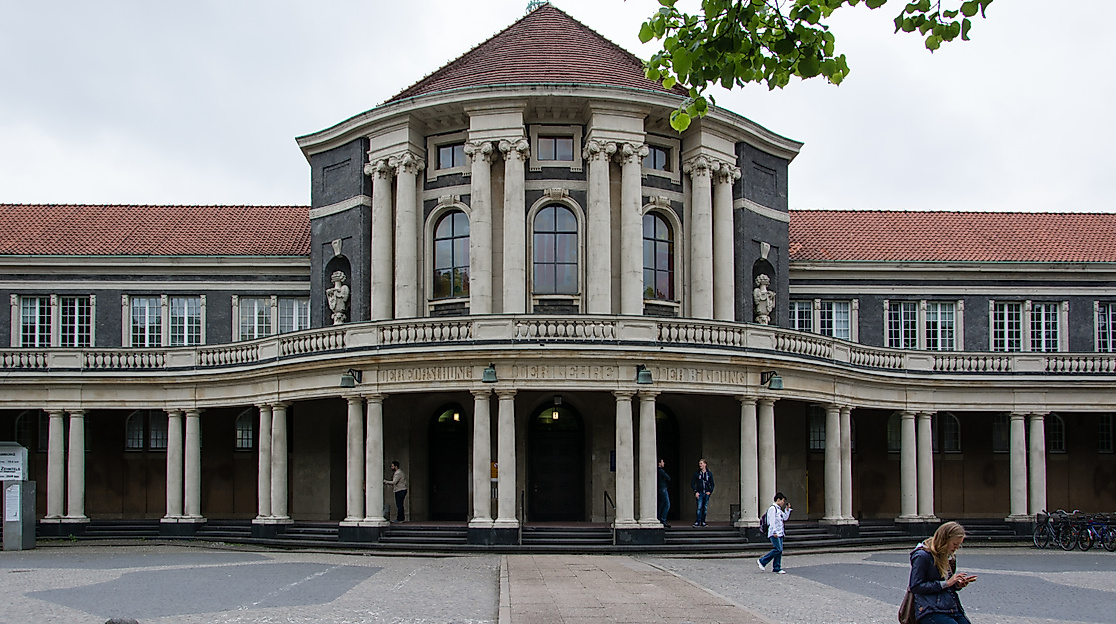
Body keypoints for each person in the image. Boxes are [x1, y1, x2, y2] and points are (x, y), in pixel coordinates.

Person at [908, 521, 976, 624]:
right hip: (930, 609)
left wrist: (957, 584)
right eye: (955, 544)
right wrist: (947, 583)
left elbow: (948, 585)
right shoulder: (923, 556)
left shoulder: (949, 557)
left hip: (951, 607)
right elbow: (916, 586)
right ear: (945, 540)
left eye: (959, 545)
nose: (957, 548)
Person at [757, 492, 792, 573]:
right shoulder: (773, 509)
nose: (783, 503)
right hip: (775, 532)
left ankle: (777, 567)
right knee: (778, 549)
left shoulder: (778, 509)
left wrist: (787, 510)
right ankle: (763, 561)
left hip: (780, 532)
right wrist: (774, 532)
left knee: (779, 550)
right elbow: (771, 521)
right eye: (783, 501)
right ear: (778, 500)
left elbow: (785, 518)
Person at [690, 459, 714, 527]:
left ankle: (703, 521)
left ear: (705, 464)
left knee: (705, 508)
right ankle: (697, 521)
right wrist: (696, 491)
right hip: (700, 492)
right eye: (699, 463)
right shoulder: (697, 474)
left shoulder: (709, 474)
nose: (700, 465)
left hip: (706, 492)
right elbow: (692, 483)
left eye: (701, 463)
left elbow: (712, 484)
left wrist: (710, 491)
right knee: (699, 507)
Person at [657, 458, 671, 528]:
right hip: (663, 488)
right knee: (667, 504)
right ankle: (663, 519)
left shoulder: (657, 471)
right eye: (662, 462)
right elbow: (668, 478)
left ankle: (659, 518)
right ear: (659, 463)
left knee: (661, 505)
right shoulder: (661, 471)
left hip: (660, 488)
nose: (664, 463)